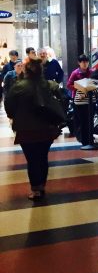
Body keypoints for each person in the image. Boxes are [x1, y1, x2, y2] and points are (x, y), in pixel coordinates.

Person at [4, 59, 64, 201]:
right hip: (47, 128)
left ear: (26, 70)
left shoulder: (18, 86)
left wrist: (14, 116)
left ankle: (36, 189)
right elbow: (62, 99)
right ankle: (41, 185)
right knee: (43, 157)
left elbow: (9, 105)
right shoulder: (49, 85)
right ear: (41, 70)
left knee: (32, 159)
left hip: (26, 129)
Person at [66, 54, 93, 144]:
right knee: (82, 120)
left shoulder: (91, 72)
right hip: (79, 100)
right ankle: (83, 139)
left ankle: (90, 138)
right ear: (79, 63)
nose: (85, 64)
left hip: (90, 100)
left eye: (86, 62)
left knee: (90, 120)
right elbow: (69, 85)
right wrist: (80, 87)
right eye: (83, 62)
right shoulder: (75, 73)